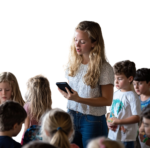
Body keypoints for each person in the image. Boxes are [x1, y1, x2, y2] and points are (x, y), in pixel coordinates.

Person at [57, 20, 114, 148]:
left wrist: (79, 99)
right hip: (71, 115)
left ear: (94, 43)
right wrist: (67, 95)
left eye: (82, 42)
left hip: (92, 120)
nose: (77, 45)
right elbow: (75, 91)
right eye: (76, 40)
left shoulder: (104, 67)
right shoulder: (73, 62)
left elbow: (107, 100)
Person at [107, 59, 141, 148]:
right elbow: (111, 113)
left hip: (126, 138)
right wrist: (109, 123)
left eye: (120, 78)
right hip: (112, 136)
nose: (116, 81)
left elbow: (137, 117)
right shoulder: (115, 93)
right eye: (115, 78)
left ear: (130, 79)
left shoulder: (132, 96)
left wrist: (119, 121)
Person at [21, 73, 53, 145]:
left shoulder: (27, 107)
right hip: (45, 141)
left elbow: (26, 128)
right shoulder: (51, 109)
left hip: (30, 141)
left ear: (32, 92)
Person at [133, 67, 150, 148]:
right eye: (134, 84)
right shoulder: (135, 98)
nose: (136, 87)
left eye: (140, 83)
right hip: (135, 133)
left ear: (149, 84)